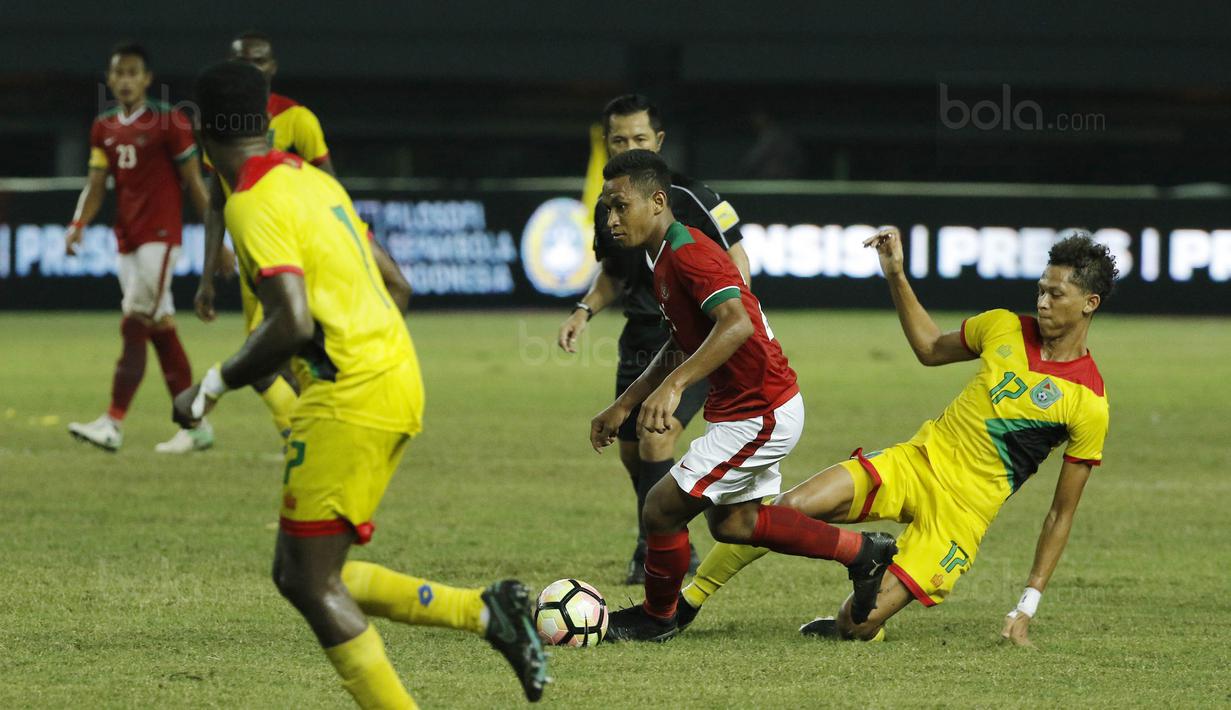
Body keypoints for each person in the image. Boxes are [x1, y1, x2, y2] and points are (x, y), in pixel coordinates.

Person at [177, 60, 546, 708]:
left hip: (351, 395)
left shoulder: (248, 201)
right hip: (397, 377)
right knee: (311, 571)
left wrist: (208, 386)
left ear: (203, 130)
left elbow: (288, 320)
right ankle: (486, 613)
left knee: (307, 581)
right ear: (266, 120)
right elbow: (397, 284)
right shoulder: (318, 186)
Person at [676, 228, 1114, 647]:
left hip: (961, 517)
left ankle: (869, 616)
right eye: (1041, 289)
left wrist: (1027, 606)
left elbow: (1061, 514)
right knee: (787, 510)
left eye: (1056, 294)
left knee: (854, 625)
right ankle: (689, 601)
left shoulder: (1088, 401)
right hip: (914, 463)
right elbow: (928, 348)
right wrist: (896, 275)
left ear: (1089, 303)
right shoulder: (1003, 327)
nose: (1042, 302)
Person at [589, 150, 897, 642]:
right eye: (607, 208)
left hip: (762, 409)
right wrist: (625, 403)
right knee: (734, 523)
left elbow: (738, 322)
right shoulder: (663, 254)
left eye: (620, 206)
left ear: (658, 201)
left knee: (661, 507)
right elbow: (682, 339)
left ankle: (657, 617)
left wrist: (674, 387)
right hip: (749, 407)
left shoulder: (689, 251)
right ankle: (864, 554)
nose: (611, 218)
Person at [558, 94, 751, 584]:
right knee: (630, 448)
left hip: (695, 341)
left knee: (655, 433)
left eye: (639, 138)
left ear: (659, 141)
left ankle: (656, 550)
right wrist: (584, 310)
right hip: (642, 340)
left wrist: (727, 314)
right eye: (619, 139)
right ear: (606, 143)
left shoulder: (695, 199)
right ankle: (662, 529)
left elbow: (740, 265)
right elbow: (613, 276)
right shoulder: (614, 205)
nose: (629, 146)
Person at [65, 42, 214, 454]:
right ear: (110, 79)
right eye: (120, 73)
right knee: (161, 328)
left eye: (134, 73)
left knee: (134, 322)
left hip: (160, 239)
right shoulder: (104, 126)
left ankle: (112, 423)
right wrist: (79, 223)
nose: (126, 80)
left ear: (147, 79)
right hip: (126, 239)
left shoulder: (170, 122)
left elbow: (195, 184)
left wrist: (216, 240)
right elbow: (97, 185)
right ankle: (196, 425)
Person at [194, 30, 337, 442]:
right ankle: (311, 432)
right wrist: (207, 276)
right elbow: (216, 202)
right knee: (288, 362)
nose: (251, 69)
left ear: (272, 68)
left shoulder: (298, 119)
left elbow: (329, 189)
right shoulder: (221, 127)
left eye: (259, 62)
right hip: (249, 260)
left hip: (290, 255)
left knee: (261, 360)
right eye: (242, 62)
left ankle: (302, 437)